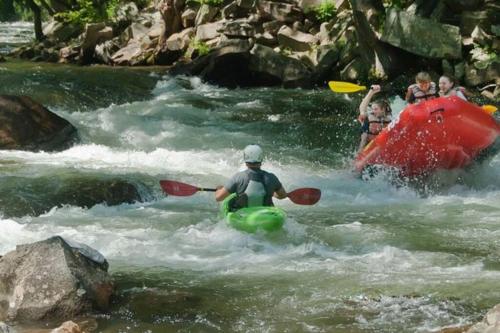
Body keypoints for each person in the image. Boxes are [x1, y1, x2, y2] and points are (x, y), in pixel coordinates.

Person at [215, 144, 288, 210]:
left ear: (245, 159)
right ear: (261, 159)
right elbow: (282, 195)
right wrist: (272, 192)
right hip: (266, 214)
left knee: (231, 202)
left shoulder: (238, 177)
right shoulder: (272, 177)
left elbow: (219, 198)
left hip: (244, 215)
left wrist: (219, 189)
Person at [357, 85, 392, 153]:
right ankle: (359, 154)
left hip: (379, 145)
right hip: (366, 144)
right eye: (372, 109)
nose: (373, 111)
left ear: (383, 109)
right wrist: (371, 92)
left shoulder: (389, 119)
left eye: (376, 109)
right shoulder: (369, 117)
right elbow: (362, 107)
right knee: (364, 135)